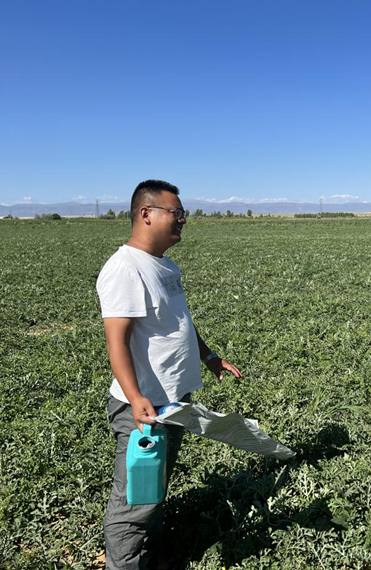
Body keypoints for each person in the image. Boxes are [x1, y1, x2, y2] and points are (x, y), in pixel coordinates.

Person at [96, 179, 242, 570]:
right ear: (146, 214)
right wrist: (136, 395)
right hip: (143, 406)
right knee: (134, 502)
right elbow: (117, 342)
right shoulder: (125, 269)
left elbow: (179, 322)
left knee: (153, 491)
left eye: (183, 214)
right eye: (176, 213)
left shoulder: (164, 265)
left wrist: (208, 356)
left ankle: (149, 556)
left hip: (171, 400)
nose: (182, 220)